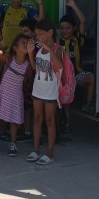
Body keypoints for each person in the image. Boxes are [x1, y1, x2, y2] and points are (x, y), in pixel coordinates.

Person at [0, 34, 33, 157]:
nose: (26, 44)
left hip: (17, 95)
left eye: (27, 42)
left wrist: (32, 53)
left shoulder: (28, 63)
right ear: (15, 48)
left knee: (14, 121)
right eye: (23, 42)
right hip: (3, 92)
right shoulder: (9, 58)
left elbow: (34, 69)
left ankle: (13, 142)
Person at [26, 19, 63, 165]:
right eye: (37, 34)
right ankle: (35, 150)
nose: (38, 37)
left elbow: (60, 66)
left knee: (49, 121)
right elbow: (35, 67)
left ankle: (50, 152)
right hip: (38, 89)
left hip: (51, 91)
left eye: (41, 34)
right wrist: (30, 53)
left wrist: (50, 49)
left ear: (50, 33)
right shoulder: (39, 48)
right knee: (37, 119)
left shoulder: (57, 48)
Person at [60, 0, 96, 115]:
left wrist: (74, 5)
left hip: (77, 75)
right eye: (62, 28)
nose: (65, 31)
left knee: (92, 78)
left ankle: (88, 104)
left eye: (68, 28)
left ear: (74, 28)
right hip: (62, 77)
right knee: (65, 106)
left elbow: (83, 21)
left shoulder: (77, 39)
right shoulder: (57, 41)